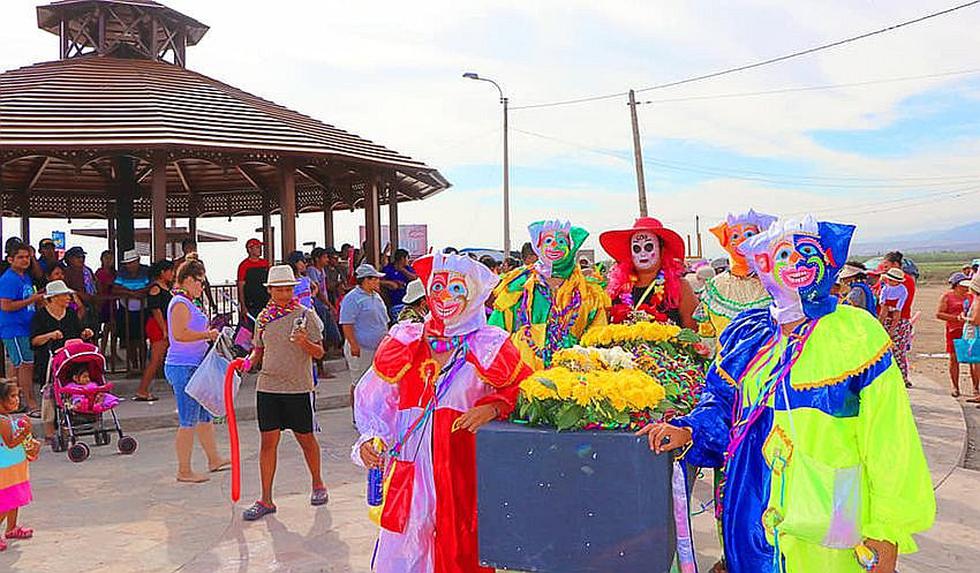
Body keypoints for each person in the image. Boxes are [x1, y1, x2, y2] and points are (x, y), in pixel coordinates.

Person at [640, 216, 935, 573]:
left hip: (831, 521)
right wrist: (689, 430)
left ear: (827, 259)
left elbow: (891, 441)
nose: (795, 263)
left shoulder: (857, 336)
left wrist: (887, 532)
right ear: (762, 265)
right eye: (781, 255)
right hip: (751, 513)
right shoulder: (748, 333)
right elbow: (721, 405)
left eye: (806, 252)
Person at [352, 252, 533, 573]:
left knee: (460, 542)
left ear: (475, 294)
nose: (444, 297)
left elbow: (526, 391)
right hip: (411, 468)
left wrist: (494, 406)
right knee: (405, 544)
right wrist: (371, 438)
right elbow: (376, 400)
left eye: (457, 290)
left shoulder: (491, 345)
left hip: (461, 465)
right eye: (437, 287)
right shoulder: (406, 339)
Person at [239, 265, 327, 521]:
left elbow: (319, 352)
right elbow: (259, 349)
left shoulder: (305, 315)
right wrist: (248, 361)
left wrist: (304, 343)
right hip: (268, 387)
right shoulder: (264, 318)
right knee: (267, 443)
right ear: (270, 290)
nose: (284, 293)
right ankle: (266, 499)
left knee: (306, 439)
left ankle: (318, 483)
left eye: (288, 288)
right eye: (279, 289)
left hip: (298, 386)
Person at [490, 220, 609, 369]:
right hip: (519, 376)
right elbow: (495, 335)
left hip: (572, 380)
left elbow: (598, 338)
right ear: (538, 246)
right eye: (548, 240)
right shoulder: (517, 285)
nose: (554, 246)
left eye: (561, 241)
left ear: (571, 247)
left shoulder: (589, 292)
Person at [164, 260, 229, 483]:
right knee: (188, 419)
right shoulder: (180, 303)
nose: (203, 286)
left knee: (203, 416)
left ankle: (214, 459)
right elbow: (180, 334)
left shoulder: (187, 302)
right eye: (200, 282)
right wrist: (207, 335)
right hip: (184, 366)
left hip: (194, 365)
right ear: (189, 280)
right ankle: (184, 470)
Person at [600, 216, 696, 328]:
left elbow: (692, 332)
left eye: (649, 247)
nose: (643, 253)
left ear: (662, 250)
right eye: (636, 248)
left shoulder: (681, 287)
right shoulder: (617, 289)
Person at [699, 210, 776, 341]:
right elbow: (706, 334)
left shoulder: (776, 282)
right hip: (725, 360)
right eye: (735, 236)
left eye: (749, 234)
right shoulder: (716, 286)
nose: (742, 240)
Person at [29, 280, 93, 439]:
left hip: (69, 360)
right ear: (53, 298)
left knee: (68, 391)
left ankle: (67, 427)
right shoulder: (40, 316)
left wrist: (85, 333)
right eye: (64, 295)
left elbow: (78, 333)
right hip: (49, 359)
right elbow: (34, 340)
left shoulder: (70, 314)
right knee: (50, 393)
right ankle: (50, 432)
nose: (68, 298)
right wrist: (50, 335)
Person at [0, 243, 45, 417]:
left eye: (27, 256)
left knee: (18, 366)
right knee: (26, 365)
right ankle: (30, 402)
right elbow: (6, 305)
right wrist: (31, 299)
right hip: (15, 328)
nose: (25, 260)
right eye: (21, 257)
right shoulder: (9, 279)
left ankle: (11, 400)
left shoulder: (25, 277)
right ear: (11, 259)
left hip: (25, 326)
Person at [339, 264, 389, 415]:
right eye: (375, 279)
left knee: (376, 383)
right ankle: (357, 416)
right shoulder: (352, 298)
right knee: (359, 382)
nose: (378, 282)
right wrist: (354, 345)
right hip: (361, 348)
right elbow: (346, 324)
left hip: (377, 348)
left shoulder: (376, 296)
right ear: (366, 280)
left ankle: (372, 413)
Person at [0, 379, 40, 552]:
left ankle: (12, 528)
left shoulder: (7, 418)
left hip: (14, 464)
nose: (16, 400)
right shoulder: (2, 421)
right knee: (6, 501)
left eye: (17, 396)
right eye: (12, 397)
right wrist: (25, 432)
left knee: (14, 498)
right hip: (5, 467)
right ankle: (8, 527)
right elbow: (10, 442)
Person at [134, 260, 175, 402]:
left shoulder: (165, 287)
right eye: (170, 270)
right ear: (162, 272)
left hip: (163, 324)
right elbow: (155, 309)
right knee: (155, 359)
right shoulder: (156, 288)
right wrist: (164, 329)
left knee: (160, 359)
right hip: (158, 324)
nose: (172, 273)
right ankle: (142, 390)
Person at [113, 249, 151, 369]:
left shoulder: (146, 271)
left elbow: (151, 285)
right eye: (128, 263)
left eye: (132, 262)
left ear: (138, 261)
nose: (130, 265)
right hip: (126, 310)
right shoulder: (122, 273)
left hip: (143, 310)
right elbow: (115, 288)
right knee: (130, 340)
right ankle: (133, 366)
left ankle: (143, 365)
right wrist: (132, 293)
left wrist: (138, 292)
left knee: (142, 339)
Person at [939, 273, 974, 399]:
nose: (965, 288)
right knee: (954, 359)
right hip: (954, 330)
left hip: (970, 330)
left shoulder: (972, 297)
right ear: (956, 285)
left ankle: (976, 388)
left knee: (973, 360)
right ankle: (955, 387)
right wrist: (956, 318)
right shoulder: (947, 297)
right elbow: (939, 314)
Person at [879, 267, 912, 387]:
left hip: (896, 318)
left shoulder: (902, 291)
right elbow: (883, 309)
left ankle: (902, 377)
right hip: (887, 314)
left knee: (899, 352)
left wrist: (892, 328)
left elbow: (898, 310)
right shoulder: (885, 289)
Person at [237, 239, 270, 325]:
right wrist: (243, 306)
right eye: (257, 247)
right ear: (250, 249)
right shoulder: (244, 265)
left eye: (260, 247)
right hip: (251, 304)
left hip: (265, 302)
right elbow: (241, 286)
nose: (260, 249)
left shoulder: (265, 263)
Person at [382, 248, 418, 320]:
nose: (408, 260)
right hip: (394, 304)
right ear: (402, 258)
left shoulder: (407, 269)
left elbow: (415, 278)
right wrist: (393, 283)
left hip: (408, 303)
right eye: (407, 258)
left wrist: (402, 270)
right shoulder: (389, 268)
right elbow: (381, 280)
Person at [963, 274, 980, 407]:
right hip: (975, 334)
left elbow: (976, 320)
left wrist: (963, 318)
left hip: (976, 335)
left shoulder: (978, 300)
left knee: (976, 365)